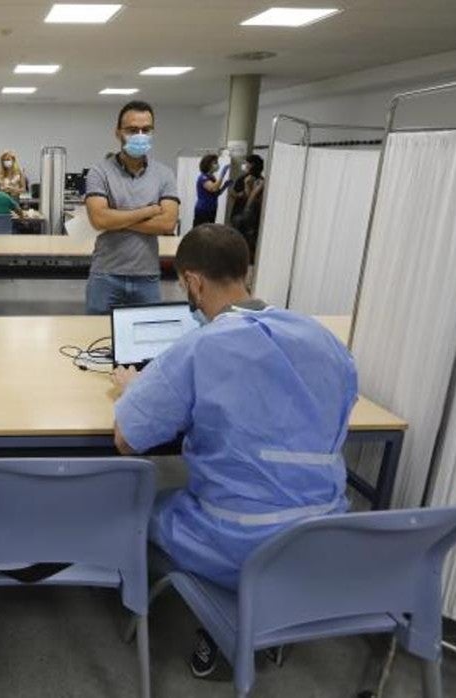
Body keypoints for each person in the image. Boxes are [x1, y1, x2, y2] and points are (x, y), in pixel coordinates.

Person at [111, 223, 357, 678]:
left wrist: (134, 387)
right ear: (246, 272)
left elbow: (127, 440)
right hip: (324, 531)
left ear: (193, 282)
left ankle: (222, 614)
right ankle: (272, 609)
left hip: (239, 540)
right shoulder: (321, 338)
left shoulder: (200, 347)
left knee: (144, 509)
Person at [83, 100, 180, 314]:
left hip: (147, 274)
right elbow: (99, 220)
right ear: (118, 133)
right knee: (94, 336)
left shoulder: (164, 174)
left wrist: (116, 219)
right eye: (132, 129)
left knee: (146, 341)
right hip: (106, 273)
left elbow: (167, 223)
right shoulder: (99, 172)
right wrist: (147, 211)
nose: (140, 134)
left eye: (146, 129)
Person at [230, 154, 266, 258]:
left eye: (247, 163)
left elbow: (251, 199)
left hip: (250, 216)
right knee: (240, 239)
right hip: (240, 213)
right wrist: (239, 195)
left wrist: (247, 189)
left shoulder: (260, 181)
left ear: (253, 165)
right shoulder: (243, 178)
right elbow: (234, 194)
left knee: (246, 240)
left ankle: (243, 259)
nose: (245, 165)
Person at [194, 154, 230, 226]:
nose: (217, 165)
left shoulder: (212, 178)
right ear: (208, 164)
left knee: (210, 230)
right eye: (215, 163)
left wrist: (225, 186)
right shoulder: (203, 177)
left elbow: (216, 193)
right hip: (203, 209)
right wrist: (222, 175)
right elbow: (213, 188)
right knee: (201, 231)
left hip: (212, 209)